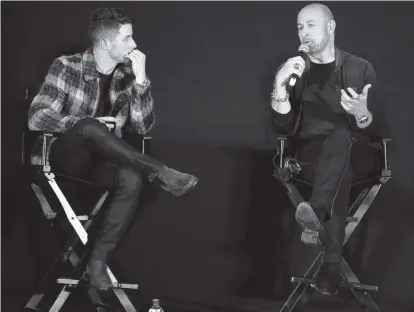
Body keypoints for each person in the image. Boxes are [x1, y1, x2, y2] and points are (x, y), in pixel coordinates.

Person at [28, 8, 198, 291]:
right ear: (106, 43)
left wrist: (142, 82)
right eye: (128, 38)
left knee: (131, 177)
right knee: (88, 126)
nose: (134, 45)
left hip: (101, 163)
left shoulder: (127, 75)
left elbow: (143, 127)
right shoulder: (67, 66)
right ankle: (161, 172)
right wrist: (83, 123)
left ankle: (97, 264)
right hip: (64, 158)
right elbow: (37, 116)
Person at [269, 3, 388, 295]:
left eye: (311, 25)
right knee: (336, 170)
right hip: (309, 161)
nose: (304, 32)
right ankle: (331, 264)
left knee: (340, 138)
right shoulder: (296, 70)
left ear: (330, 27)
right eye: (300, 27)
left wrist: (361, 113)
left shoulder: (360, 68)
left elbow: (378, 131)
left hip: (355, 154)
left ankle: (317, 212)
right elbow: (282, 128)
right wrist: (280, 85)